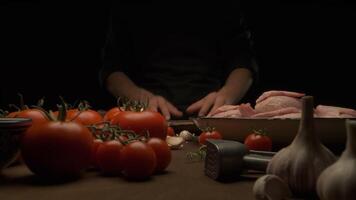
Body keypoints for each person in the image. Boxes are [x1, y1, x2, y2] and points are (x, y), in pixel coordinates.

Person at [99, 1, 258, 120]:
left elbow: (243, 59)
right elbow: (111, 67)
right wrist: (138, 97)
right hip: (144, 118)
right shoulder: (127, 6)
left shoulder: (224, 6)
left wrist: (226, 96)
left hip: (212, 116)